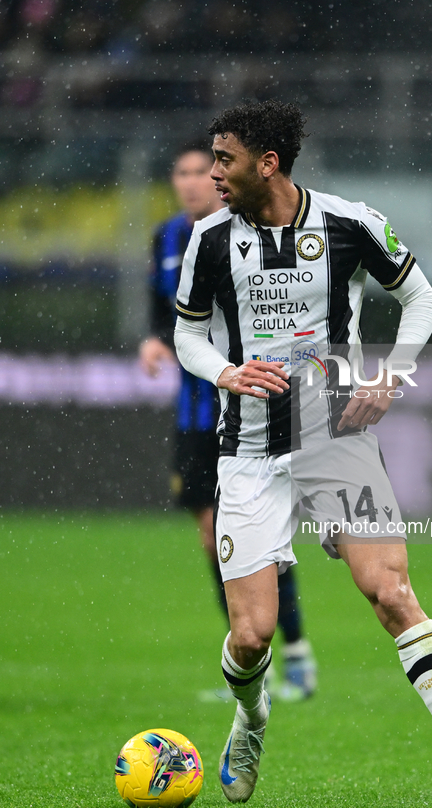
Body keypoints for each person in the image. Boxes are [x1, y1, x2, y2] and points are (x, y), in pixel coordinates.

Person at [174, 101, 432, 808]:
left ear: (267, 164)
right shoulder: (209, 240)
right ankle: (252, 718)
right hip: (249, 450)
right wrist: (223, 373)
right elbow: (188, 335)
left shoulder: (349, 223)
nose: (212, 173)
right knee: (250, 635)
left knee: (390, 594)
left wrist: (392, 374)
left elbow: (420, 299)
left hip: (336, 437)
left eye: (224, 159)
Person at [139, 140, 317, 700]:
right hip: (195, 413)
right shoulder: (168, 237)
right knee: (218, 541)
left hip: (253, 412)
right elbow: (161, 307)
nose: (195, 180)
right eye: (184, 171)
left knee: (259, 535)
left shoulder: (239, 233)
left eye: (205, 169)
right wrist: (152, 338)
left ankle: (295, 658)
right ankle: (249, 658)